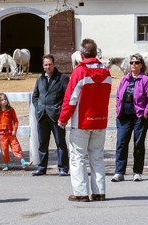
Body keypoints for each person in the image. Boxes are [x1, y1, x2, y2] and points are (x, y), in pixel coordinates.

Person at [58, 38, 111, 202]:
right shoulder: (107, 72)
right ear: (96, 53)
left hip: (81, 121)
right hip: (100, 120)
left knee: (78, 158)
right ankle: (99, 192)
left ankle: (81, 193)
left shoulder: (79, 72)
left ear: (81, 54)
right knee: (97, 157)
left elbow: (70, 99)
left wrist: (63, 119)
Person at [111, 53, 148, 182]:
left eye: (136, 62)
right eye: (131, 62)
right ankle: (119, 172)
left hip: (139, 116)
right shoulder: (125, 79)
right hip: (124, 116)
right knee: (121, 143)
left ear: (141, 65)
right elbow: (119, 95)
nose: (133, 65)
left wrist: (146, 112)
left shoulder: (144, 79)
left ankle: (137, 172)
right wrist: (118, 108)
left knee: (138, 144)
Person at [32, 54, 69, 176]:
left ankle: (63, 168)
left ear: (54, 64)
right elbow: (35, 96)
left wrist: (60, 110)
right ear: (43, 66)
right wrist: (38, 107)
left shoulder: (62, 78)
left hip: (56, 116)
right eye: (46, 64)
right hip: (42, 115)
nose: (48, 66)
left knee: (60, 143)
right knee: (42, 144)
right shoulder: (39, 79)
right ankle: (41, 168)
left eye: (50, 64)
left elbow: (67, 98)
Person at [0, 93, 33, 170]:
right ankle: (6, 165)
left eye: (5, 99)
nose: (4, 101)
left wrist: (14, 130)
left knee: (16, 147)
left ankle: (23, 162)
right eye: (2, 100)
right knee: (4, 149)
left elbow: (15, 121)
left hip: (11, 133)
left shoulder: (11, 110)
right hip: (2, 134)